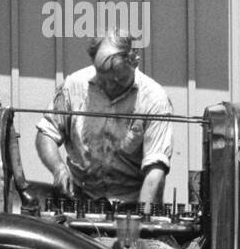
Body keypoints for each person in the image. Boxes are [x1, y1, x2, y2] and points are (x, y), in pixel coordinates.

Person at [35, 30, 173, 205]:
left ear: (134, 61)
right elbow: (47, 133)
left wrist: (140, 223)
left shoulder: (155, 99)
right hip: (78, 199)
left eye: (118, 80)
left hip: (132, 203)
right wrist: (58, 169)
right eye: (104, 79)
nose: (110, 86)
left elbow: (155, 170)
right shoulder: (73, 86)